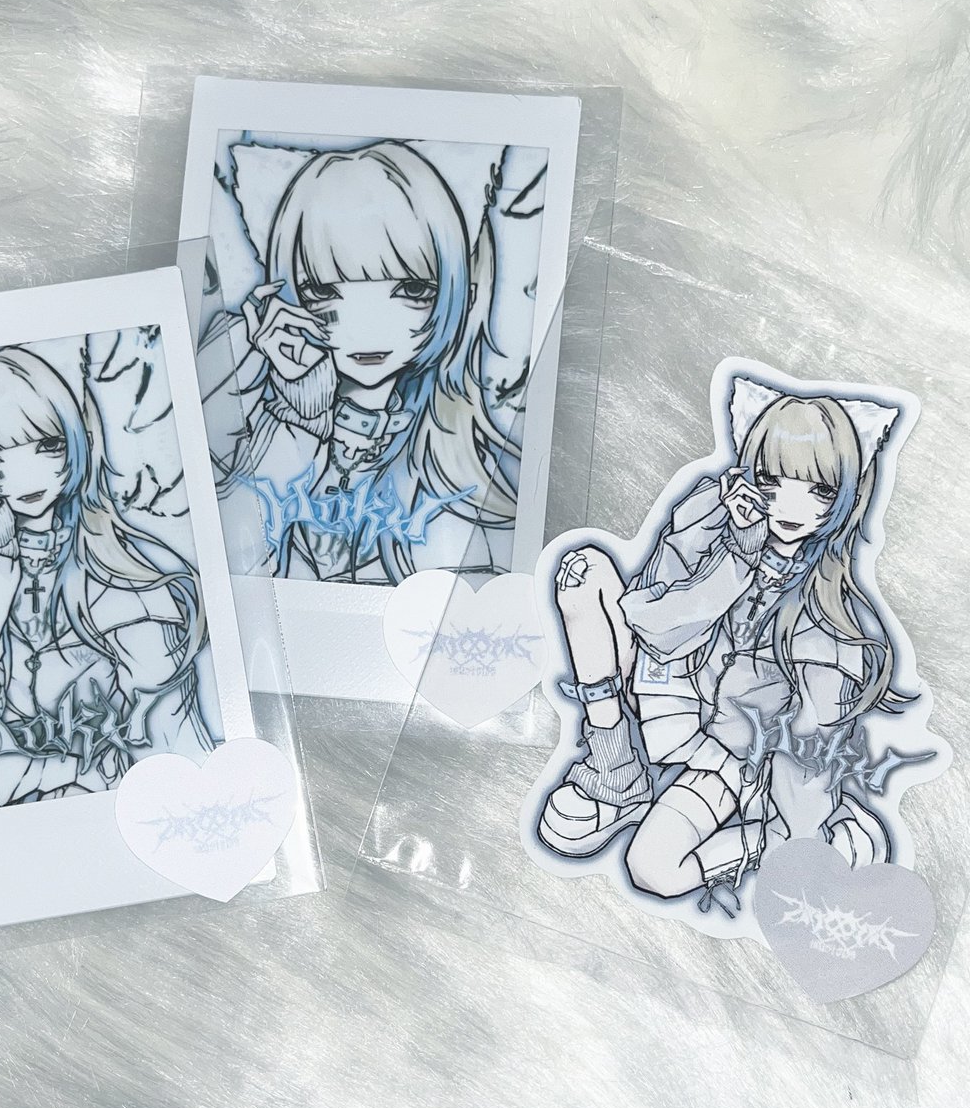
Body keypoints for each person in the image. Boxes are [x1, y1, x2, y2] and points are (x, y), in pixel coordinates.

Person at [539, 390, 906, 916]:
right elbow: (654, 624)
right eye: (771, 481)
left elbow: (809, 744)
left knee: (652, 869)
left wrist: (796, 835)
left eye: (819, 490)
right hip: (666, 686)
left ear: (845, 496)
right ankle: (616, 770)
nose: (790, 507)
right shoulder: (715, 519)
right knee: (585, 573)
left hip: (728, 753)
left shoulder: (827, 619)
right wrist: (736, 554)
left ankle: (786, 841)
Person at [0, 347, 212, 818]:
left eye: (48, 444)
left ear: (77, 440)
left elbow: (168, 724)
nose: (24, 474)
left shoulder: (123, 570)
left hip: (104, 791)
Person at [212, 140, 519, 584]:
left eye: (412, 290)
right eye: (323, 291)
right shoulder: (261, 429)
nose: (368, 327)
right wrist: (302, 408)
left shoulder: (455, 453)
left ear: (457, 292)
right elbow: (237, 578)